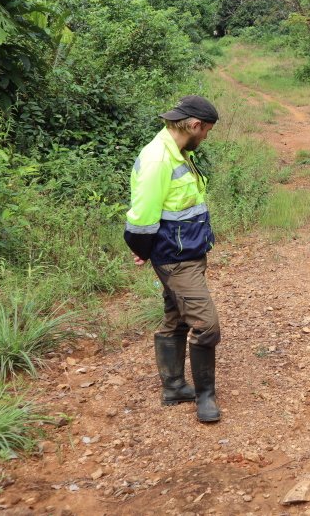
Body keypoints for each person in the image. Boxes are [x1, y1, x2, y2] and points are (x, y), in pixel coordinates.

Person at [124, 95, 222, 423]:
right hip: (176, 258)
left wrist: (145, 250)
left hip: (187, 251)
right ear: (194, 125)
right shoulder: (157, 159)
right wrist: (142, 249)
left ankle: (174, 387)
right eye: (206, 130)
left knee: (176, 316)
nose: (206, 136)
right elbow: (142, 217)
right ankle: (204, 396)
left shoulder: (177, 150)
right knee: (206, 325)